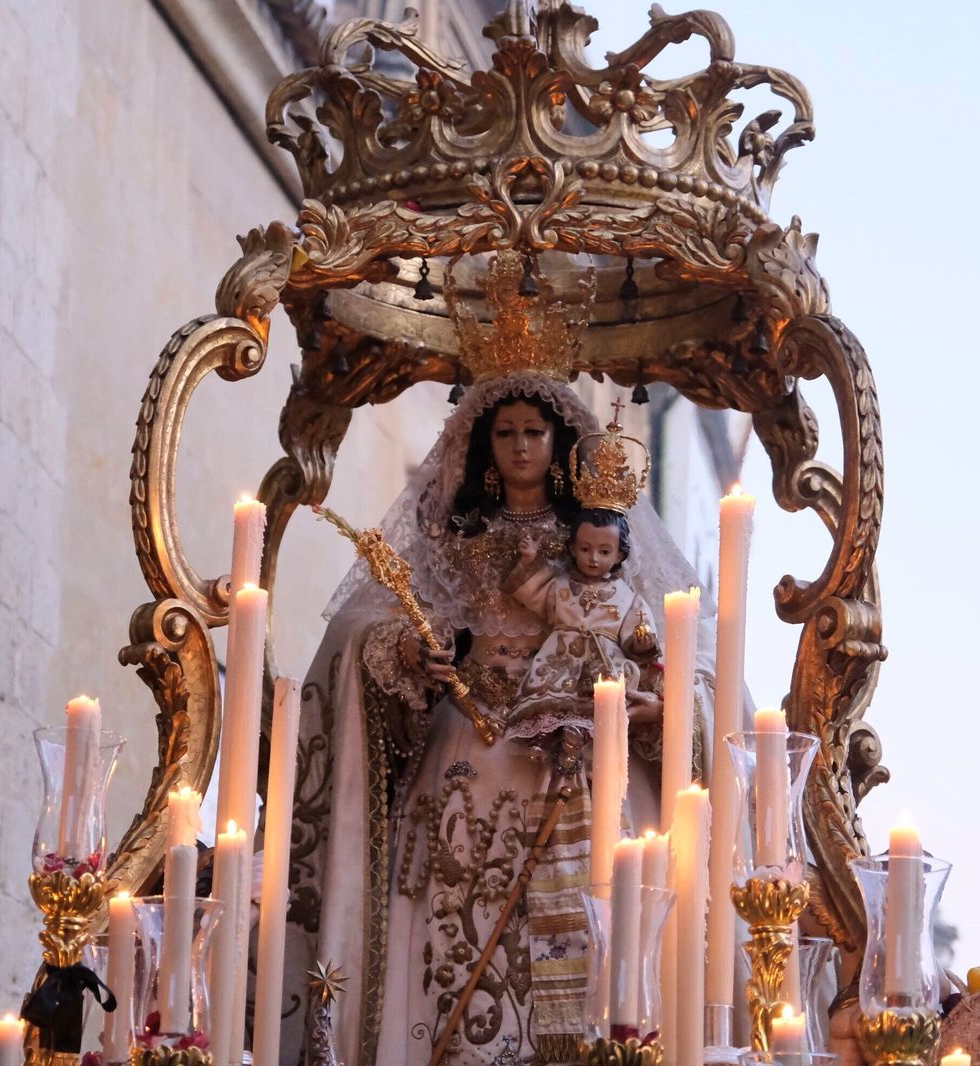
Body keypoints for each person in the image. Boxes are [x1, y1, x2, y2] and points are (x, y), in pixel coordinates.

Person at [279, 373, 716, 1066]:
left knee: (597, 914)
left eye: (534, 433)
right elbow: (383, 629)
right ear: (485, 442)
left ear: (558, 444)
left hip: (578, 749)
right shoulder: (455, 533)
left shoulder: (596, 535)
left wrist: (662, 699)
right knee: (453, 928)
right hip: (469, 744)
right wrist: (414, 652)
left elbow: (660, 642)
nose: (520, 448)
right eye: (506, 432)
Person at [503, 508, 662, 749]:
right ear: (572, 548)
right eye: (585, 549)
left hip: (604, 660)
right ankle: (545, 737)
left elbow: (637, 632)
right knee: (548, 691)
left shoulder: (627, 597)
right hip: (560, 657)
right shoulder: (560, 586)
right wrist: (528, 562)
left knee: (608, 693)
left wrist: (641, 641)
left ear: (619, 555)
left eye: (604, 551)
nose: (594, 558)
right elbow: (529, 592)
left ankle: (583, 738)